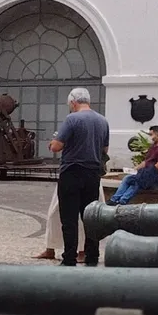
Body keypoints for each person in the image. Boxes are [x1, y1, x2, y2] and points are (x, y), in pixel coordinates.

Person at [48, 86, 110, 267]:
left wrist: (53, 142)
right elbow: (105, 149)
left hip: (72, 172)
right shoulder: (102, 120)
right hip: (92, 174)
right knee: (90, 217)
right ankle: (92, 257)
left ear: (73, 102)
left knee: (69, 218)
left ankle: (69, 258)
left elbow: (56, 146)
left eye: (70, 104)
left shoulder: (72, 119)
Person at [109, 125, 158, 205]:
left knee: (138, 181)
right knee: (127, 178)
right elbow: (146, 162)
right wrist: (135, 169)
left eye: (151, 134)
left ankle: (123, 200)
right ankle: (114, 199)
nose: (150, 137)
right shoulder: (153, 147)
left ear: (157, 134)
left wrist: (146, 173)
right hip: (148, 172)